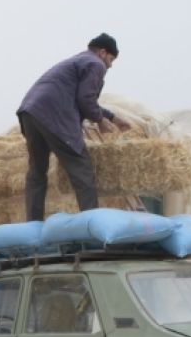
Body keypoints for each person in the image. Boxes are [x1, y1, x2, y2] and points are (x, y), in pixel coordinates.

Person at [16, 33, 133, 221]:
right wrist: (100, 120)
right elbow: (85, 99)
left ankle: (33, 224)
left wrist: (113, 117)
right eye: (111, 59)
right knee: (82, 170)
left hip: (30, 112)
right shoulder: (95, 64)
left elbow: (80, 98)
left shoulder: (76, 61)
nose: (110, 65)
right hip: (54, 114)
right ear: (103, 52)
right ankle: (92, 223)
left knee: (37, 173)